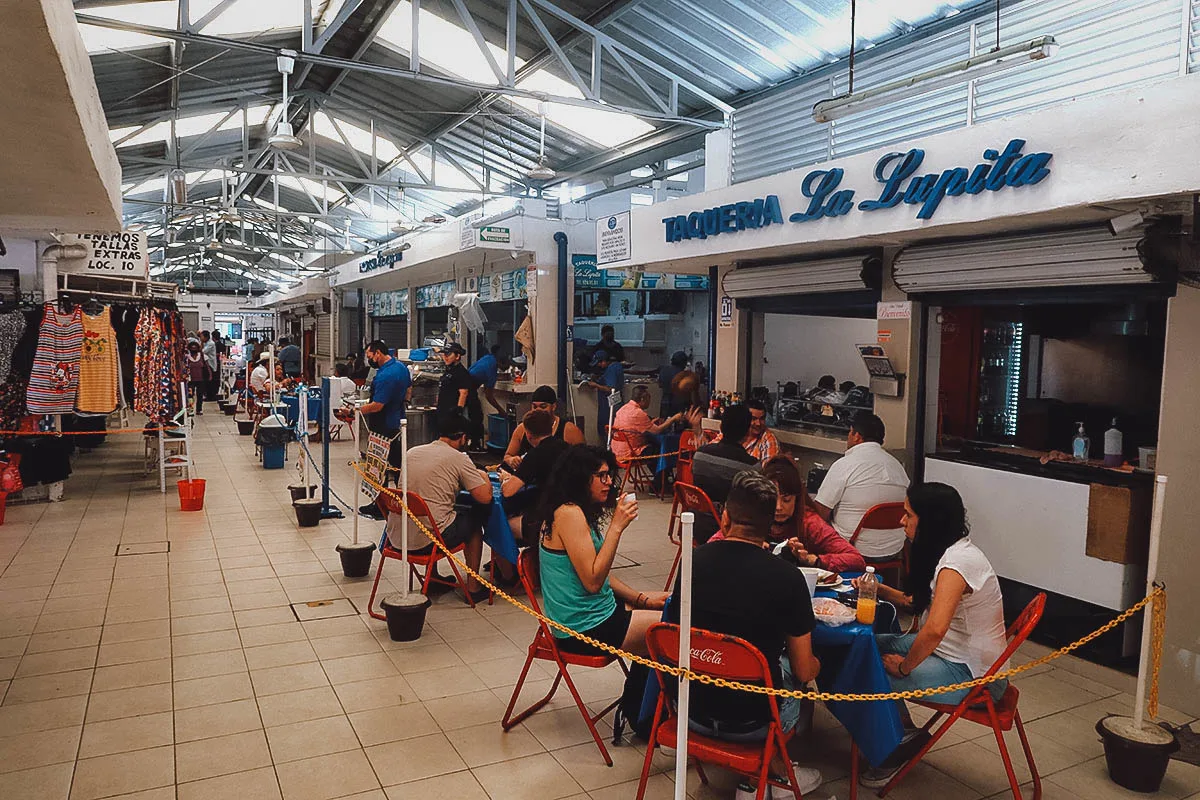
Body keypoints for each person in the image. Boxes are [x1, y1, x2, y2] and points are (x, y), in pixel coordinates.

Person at [668, 470, 824, 798]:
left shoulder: (693, 562)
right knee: (794, 676)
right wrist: (819, 668)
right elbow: (803, 669)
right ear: (771, 526)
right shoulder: (788, 578)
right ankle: (770, 775)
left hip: (689, 712)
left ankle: (762, 777)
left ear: (724, 518)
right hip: (752, 725)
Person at [855, 483, 1008, 788]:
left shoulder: (956, 564)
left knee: (866, 669)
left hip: (976, 678)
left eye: (908, 515)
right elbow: (917, 603)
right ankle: (902, 732)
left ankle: (892, 747)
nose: (902, 521)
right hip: (953, 656)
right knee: (862, 648)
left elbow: (935, 629)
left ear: (930, 521)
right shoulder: (952, 551)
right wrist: (878, 588)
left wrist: (904, 666)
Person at [537, 444, 668, 657]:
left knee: (670, 604)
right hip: (584, 629)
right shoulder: (569, 514)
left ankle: (640, 691)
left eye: (609, 475)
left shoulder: (575, 509)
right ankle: (645, 691)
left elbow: (603, 576)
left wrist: (641, 599)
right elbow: (593, 582)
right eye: (602, 476)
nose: (608, 482)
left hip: (596, 613)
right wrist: (616, 527)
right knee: (672, 630)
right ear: (580, 478)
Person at [395, 415, 496, 604]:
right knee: (473, 523)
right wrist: (483, 474)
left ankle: (432, 578)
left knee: (434, 512)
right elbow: (485, 497)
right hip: (428, 541)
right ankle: (473, 587)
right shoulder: (458, 458)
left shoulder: (412, 452)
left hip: (398, 536)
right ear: (463, 437)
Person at [710, 456, 867, 574]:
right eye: (773, 499)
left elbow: (855, 558)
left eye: (786, 500)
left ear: (797, 499)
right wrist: (750, 544)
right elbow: (712, 545)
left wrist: (813, 560)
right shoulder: (753, 515)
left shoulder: (809, 522)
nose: (778, 507)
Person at [813, 411, 910, 560]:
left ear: (856, 436)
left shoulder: (844, 465)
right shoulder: (898, 467)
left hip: (852, 548)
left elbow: (820, 512)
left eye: (849, 433)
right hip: (894, 549)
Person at [357, 340, 412, 518]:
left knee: (380, 467)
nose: (369, 360)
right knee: (396, 467)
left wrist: (356, 410)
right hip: (397, 423)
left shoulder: (386, 375)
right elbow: (409, 389)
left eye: (369, 356)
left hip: (384, 426)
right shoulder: (401, 367)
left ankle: (381, 506)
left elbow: (377, 405)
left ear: (378, 353)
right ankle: (397, 502)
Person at [500, 410, 571, 546]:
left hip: (548, 518)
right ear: (551, 427)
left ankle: (505, 566)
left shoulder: (535, 455)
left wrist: (505, 479)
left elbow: (508, 491)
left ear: (528, 434)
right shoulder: (567, 448)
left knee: (501, 528)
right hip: (571, 512)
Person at [503, 385, 585, 469]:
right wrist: (512, 460)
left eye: (543, 407)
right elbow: (507, 456)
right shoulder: (522, 428)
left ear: (553, 407)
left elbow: (584, 461)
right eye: (534, 406)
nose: (538, 410)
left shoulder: (569, 430)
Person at [609, 385, 690, 463]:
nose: (649, 402)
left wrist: (650, 424)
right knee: (663, 449)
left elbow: (633, 427)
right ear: (642, 399)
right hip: (630, 452)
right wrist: (673, 419)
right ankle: (660, 476)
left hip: (616, 451)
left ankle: (659, 475)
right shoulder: (638, 413)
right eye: (649, 398)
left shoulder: (622, 409)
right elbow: (657, 431)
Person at [467, 344, 506, 449]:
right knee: (476, 416)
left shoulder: (488, 358)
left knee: (473, 415)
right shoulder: (492, 368)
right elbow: (488, 395)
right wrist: (501, 410)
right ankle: (475, 445)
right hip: (468, 388)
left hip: (466, 385)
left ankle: (472, 443)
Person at [436, 343, 477, 441]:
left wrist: (458, 410)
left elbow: (464, 392)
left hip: (453, 411)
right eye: (444, 354)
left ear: (458, 356)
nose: (445, 357)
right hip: (444, 410)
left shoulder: (461, 372)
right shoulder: (449, 369)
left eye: (448, 354)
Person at [582, 349, 624, 438]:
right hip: (615, 402)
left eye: (600, 363)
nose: (599, 365)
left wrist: (596, 385)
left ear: (605, 361)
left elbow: (611, 389)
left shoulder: (611, 369)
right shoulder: (616, 366)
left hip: (610, 404)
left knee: (608, 429)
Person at [743, 398, 780, 464]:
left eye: (762, 419)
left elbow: (768, 471)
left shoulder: (768, 439)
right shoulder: (733, 430)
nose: (758, 423)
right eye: (753, 419)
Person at [326, 363, 358, 431]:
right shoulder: (352, 383)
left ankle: (321, 433)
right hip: (351, 408)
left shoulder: (335, 382)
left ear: (337, 372)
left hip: (339, 409)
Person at [657, 351, 689, 416]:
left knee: (665, 423)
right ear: (683, 362)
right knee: (678, 423)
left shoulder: (664, 370)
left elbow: (660, 385)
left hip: (665, 401)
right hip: (678, 403)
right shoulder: (683, 374)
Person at [185, 340, 206, 415]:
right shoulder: (187, 357)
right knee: (190, 395)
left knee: (200, 395)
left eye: (195, 348)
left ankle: (199, 409)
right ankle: (190, 409)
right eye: (192, 348)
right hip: (191, 379)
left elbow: (206, 366)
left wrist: (209, 376)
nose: (194, 349)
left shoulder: (201, 356)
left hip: (201, 379)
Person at [201, 330, 219, 402]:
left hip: (210, 365)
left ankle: (210, 397)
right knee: (207, 381)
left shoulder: (210, 344)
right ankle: (208, 396)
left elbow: (203, 351)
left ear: (206, 337)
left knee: (210, 382)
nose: (201, 338)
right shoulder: (207, 343)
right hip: (207, 364)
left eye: (201, 336)